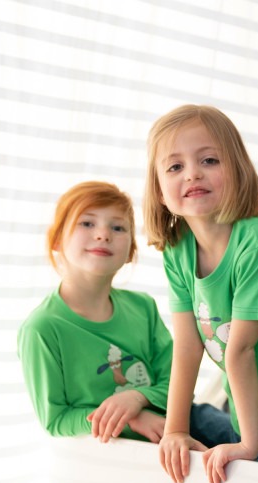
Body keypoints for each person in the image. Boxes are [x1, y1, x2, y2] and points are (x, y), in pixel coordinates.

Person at [144, 104, 258, 483]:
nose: (193, 173)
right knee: (184, 426)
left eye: (209, 160)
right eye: (175, 166)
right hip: (252, 414)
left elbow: (240, 350)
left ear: (238, 169)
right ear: (160, 190)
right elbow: (188, 344)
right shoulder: (177, 247)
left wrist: (248, 444)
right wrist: (175, 430)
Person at [18, 181, 171, 443]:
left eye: (118, 227)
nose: (103, 234)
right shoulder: (43, 328)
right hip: (112, 456)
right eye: (87, 223)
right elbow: (56, 420)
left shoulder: (144, 308)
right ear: (56, 240)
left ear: (132, 250)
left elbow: (177, 383)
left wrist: (137, 398)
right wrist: (131, 417)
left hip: (177, 431)